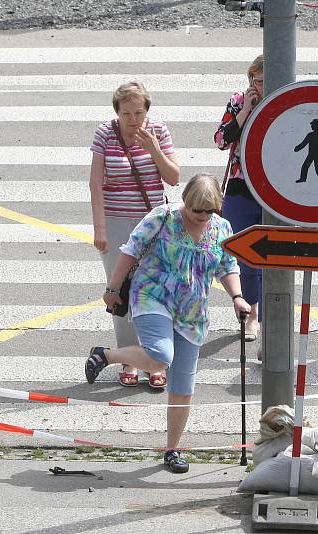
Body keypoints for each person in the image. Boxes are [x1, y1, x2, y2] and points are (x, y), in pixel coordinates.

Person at [85, 174, 251, 473]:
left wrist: (237, 297)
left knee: (183, 387)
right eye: (195, 210)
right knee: (161, 356)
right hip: (152, 296)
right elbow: (130, 250)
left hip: (192, 311)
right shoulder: (163, 217)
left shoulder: (222, 229)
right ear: (185, 201)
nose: (201, 216)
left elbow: (228, 266)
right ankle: (108, 355)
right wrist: (112, 289)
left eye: (208, 211)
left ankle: (172, 450)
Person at [89, 81, 180, 388]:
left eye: (138, 112)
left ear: (147, 111)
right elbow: (95, 184)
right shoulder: (105, 133)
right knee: (121, 293)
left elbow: (173, 178)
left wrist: (153, 148)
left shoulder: (159, 131)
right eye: (126, 113)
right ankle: (127, 357)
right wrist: (100, 229)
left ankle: (154, 360)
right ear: (117, 112)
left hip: (153, 222)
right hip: (116, 221)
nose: (133, 119)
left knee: (155, 291)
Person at [214, 54, 264, 350]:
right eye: (258, 81)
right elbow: (221, 140)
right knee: (241, 250)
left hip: (275, 190)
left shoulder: (286, 101)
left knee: (273, 253)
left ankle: (262, 312)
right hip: (241, 183)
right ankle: (251, 311)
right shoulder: (238, 101)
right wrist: (246, 110)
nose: (263, 86)